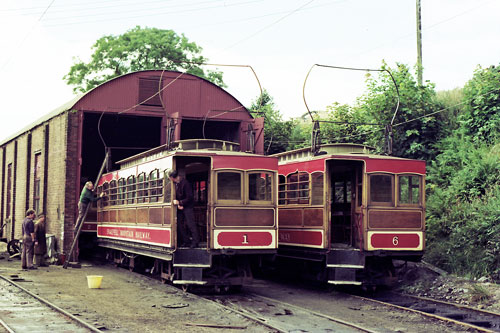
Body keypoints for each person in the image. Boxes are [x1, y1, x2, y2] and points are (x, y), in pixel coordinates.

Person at [167, 169, 200, 248]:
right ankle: (186, 241)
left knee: (191, 225)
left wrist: (180, 202)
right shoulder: (177, 183)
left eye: (169, 178)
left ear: (172, 177)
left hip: (188, 207)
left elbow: (190, 197)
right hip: (182, 207)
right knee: (178, 223)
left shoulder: (185, 183)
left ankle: (195, 242)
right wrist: (180, 204)